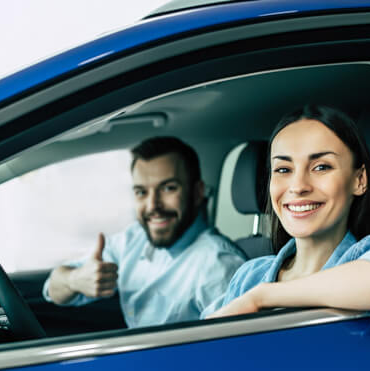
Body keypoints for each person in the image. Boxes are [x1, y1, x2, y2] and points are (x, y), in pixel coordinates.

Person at [206, 105, 370, 319]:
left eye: (321, 167)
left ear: (359, 179)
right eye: (283, 169)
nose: (298, 186)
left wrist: (264, 297)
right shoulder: (250, 275)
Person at [44, 136, 246, 327]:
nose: (152, 206)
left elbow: (233, 353)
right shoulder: (133, 240)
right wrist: (75, 279)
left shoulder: (219, 265)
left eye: (168, 188)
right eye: (141, 192)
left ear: (197, 192)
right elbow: (52, 289)